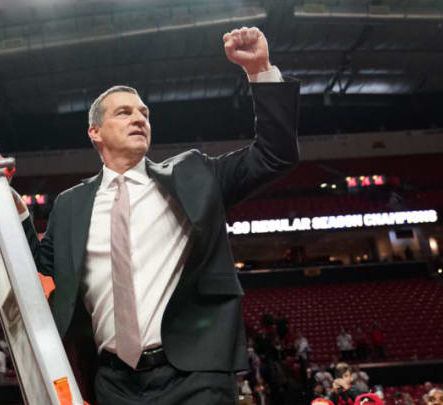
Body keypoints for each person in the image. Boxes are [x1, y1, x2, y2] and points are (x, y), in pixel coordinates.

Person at [16, 25, 300, 405]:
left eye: (144, 112)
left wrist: (260, 71)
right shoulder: (70, 205)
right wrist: (15, 218)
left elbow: (274, 155)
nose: (139, 118)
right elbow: (41, 270)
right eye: (125, 112)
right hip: (113, 383)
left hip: (196, 375)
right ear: (95, 132)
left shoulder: (195, 174)